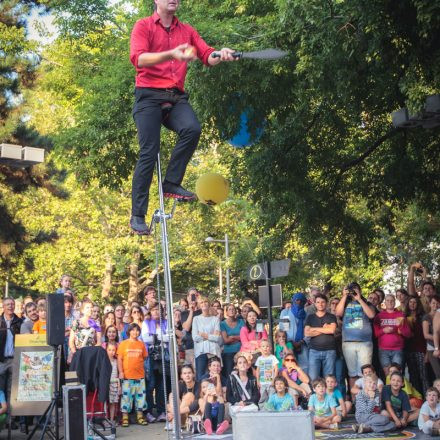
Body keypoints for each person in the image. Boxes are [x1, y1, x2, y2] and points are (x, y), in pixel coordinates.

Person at [128, 0, 236, 234]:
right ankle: (138, 215)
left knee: (192, 129)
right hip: (148, 96)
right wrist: (170, 54)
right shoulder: (143, 25)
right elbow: (138, 58)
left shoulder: (187, 31)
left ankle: (171, 183)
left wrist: (222, 54)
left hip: (175, 98)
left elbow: (207, 56)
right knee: (149, 151)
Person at [335, 282, 376, 392]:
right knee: (352, 374)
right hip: (348, 343)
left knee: (366, 373)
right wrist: (344, 296)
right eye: (351, 290)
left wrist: (359, 299)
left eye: (355, 289)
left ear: (360, 290)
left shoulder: (366, 303)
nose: (353, 292)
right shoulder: (344, 303)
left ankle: (366, 399)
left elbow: (371, 315)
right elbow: (338, 313)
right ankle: (355, 402)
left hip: (365, 343)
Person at [141, 304, 170, 423]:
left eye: (159, 310)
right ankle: (147, 412)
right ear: (150, 311)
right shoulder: (146, 323)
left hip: (163, 356)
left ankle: (161, 411)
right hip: (151, 357)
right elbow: (145, 338)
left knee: (161, 385)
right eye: (154, 310)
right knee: (150, 385)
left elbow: (170, 337)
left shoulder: (166, 322)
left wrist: (155, 337)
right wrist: (161, 337)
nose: (156, 312)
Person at [117, 323, 148, 427]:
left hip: (140, 376)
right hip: (127, 377)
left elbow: (144, 358)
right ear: (129, 331)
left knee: (141, 398)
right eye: (133, 330)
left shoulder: (141, 344)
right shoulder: (123, 344)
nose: (135, 332)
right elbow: (119, 359)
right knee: (126, 398)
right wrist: (121, 372)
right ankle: (125, 417)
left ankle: (140, 416)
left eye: (137, 330)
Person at [373, 294, 411, 376]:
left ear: (395, 302)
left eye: (392, 300)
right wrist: (383, 330)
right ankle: (388, 389)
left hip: (397, 349)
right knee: (387, 374)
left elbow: (408, 334)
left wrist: (400, 327)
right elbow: (375, 334)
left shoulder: (401, 315)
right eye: (388, 300)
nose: (390, 302)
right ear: (384, 303)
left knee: (396, 373)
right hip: (383, 350)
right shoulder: (379, 316)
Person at [304, 294, 337, 380]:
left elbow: (331, 330)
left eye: (323, 302)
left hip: (329, 351)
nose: (320, 304)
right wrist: (323, 329)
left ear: (326, 303)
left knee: (329, 379)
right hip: (314, 351)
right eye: (318, 302)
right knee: (313, 378)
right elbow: (307, 333)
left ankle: (329, 394)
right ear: (314, 304)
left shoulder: (331, 316)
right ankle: (314, 394)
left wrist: (314, 329)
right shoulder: (310, 317)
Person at [192, 298, 222, 381]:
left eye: (205, 302)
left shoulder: (215, 319)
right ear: (199, 305)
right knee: (200, 378)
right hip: (200, 352)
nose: (204, 303)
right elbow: (195, 337)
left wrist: (203, 334)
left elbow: (217, 338)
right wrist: (210, 336)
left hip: (213, 351)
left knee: (215, 377)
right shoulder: (196, 319)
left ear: (209, 304)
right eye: (201, 302)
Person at [280, 292, 309, 374]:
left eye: (301, 301)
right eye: (297, 300)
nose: (299, 302)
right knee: (289, 366)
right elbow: (283, 329)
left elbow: (308, 331)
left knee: (304, 367)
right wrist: (290, 342)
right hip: (288, 345)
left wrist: (300, 342)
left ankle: (305, 386)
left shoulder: (306, 315)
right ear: (293, 300)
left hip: (302, 344)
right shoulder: (285, 312)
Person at [405, 296, 429, 395]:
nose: (412, 304)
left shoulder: (423, 317)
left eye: (415, 302)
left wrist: (427, 352)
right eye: (411, 302)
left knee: (424, 375)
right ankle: (417, 397)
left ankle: (427, 397)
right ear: (408, 304)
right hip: (409, 350)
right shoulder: (404, 317)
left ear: (418, 304)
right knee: (413, 375)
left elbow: (426, 336)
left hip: (421, 349)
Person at [0, 298, 22, 399]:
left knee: (12, 390)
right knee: (0, 390)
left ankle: (10, 414)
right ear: (3, 307)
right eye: (8, 304)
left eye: (12, 304)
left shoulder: (20, 322)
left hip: (15, 360)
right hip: (1, 361)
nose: (10, 306)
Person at [220, 304, 244, 377]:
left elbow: (243, 337)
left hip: (240, 351)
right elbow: (226, 340)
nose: (232, 310)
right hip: (228, 352)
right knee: (229, 374)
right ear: (226, 312)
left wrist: (232, 337)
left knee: (242, 372)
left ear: (236, 311)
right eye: (229, 309)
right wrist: (238, 338)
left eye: (233, 309)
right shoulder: (222, 324)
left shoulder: (241, 321)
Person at [181, 288, 201, 367]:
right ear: (187, 297)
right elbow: (186, 328)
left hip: (203, 344)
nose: (193, 297)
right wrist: (191, 311)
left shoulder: (202, 310)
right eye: (191, 295)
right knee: (193, 371)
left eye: (195, 295)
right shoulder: (184, 313)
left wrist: (201, 301)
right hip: (191, 345)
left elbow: (214, 313)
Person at [423, 296, 440, 377]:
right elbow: (426, 335)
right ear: (430, 304)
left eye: (437, 303)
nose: (435, 305)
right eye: (433, 303)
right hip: (432, 348)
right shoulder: (426, 317)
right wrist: (437, 338)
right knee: (438, 373)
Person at [106, 342, 121, 424]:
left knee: (113, 403)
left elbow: (118, 374)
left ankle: (111, 420)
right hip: (106, 384)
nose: (112, 352)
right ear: (106, 350)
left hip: (114, 384)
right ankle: (105, 419)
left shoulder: (116, 361)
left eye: (113, 350)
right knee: (105, 403)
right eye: (109, 350)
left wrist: (119, 386)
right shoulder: (104, 361)